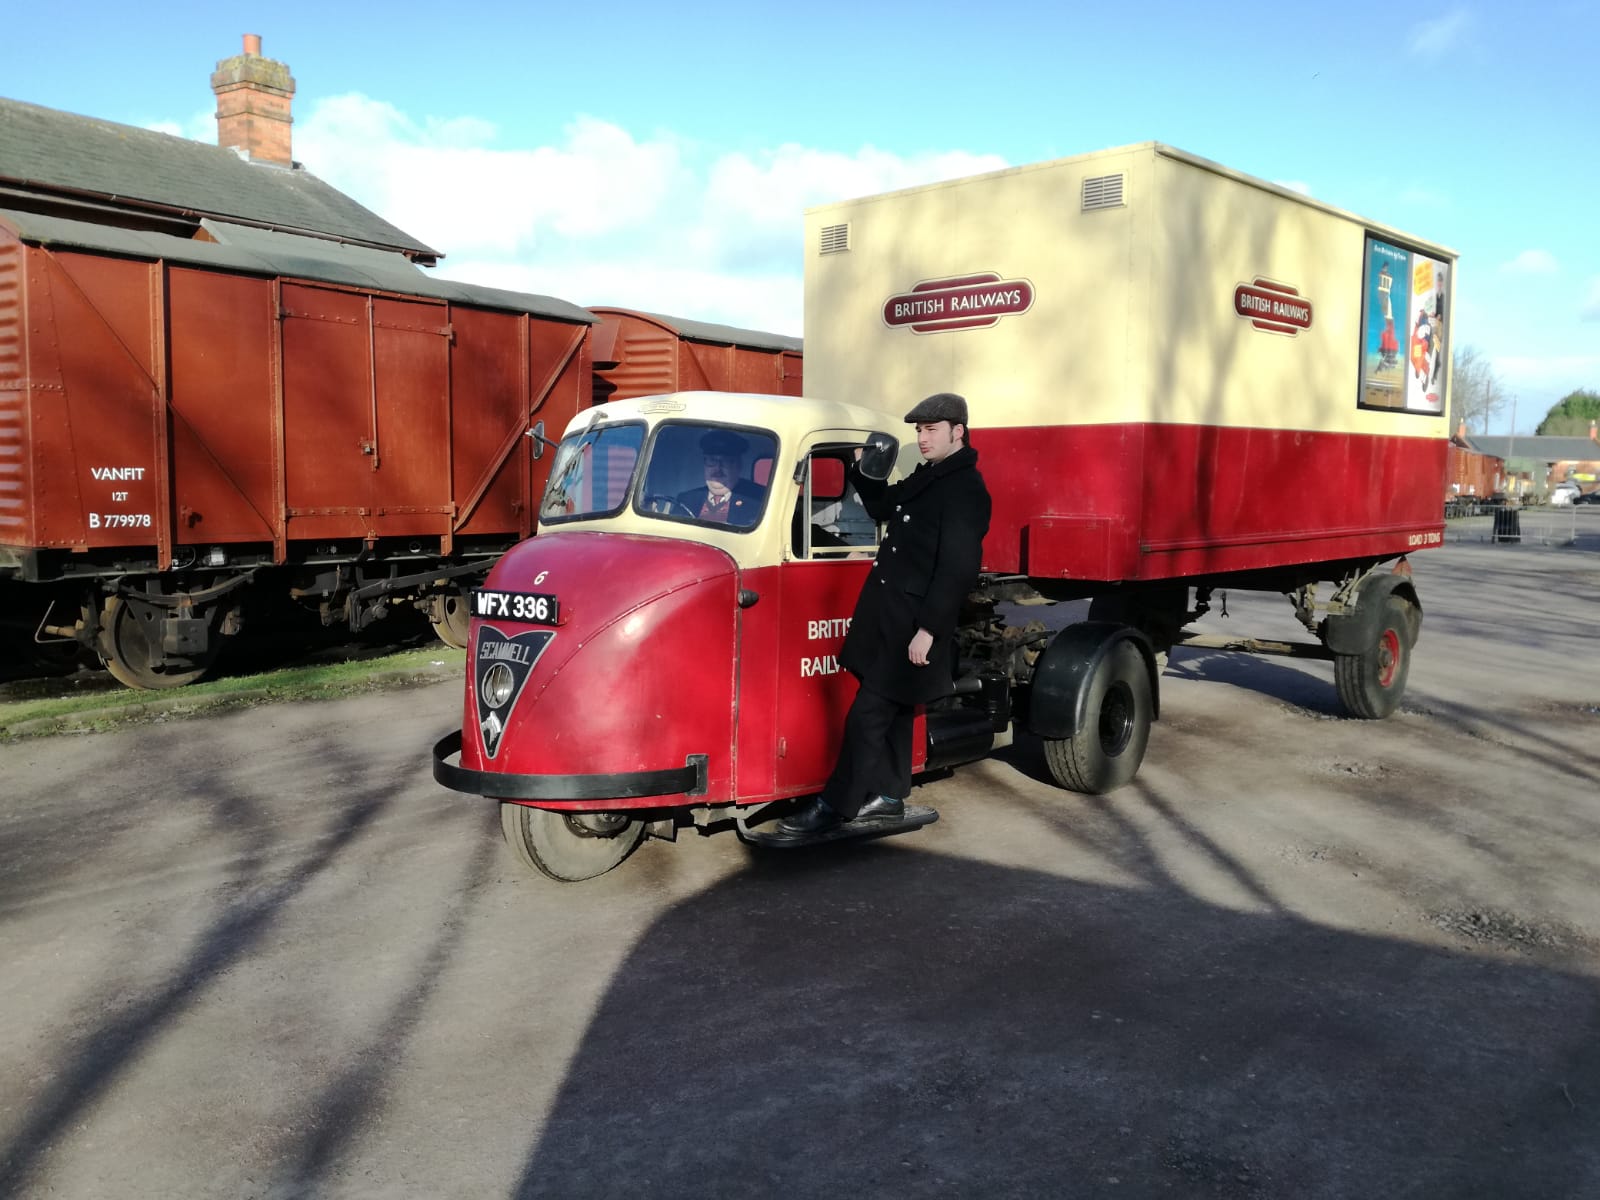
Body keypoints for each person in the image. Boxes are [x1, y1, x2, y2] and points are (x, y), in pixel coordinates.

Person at [778, 392, 991, 837]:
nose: (923, 437)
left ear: (958, 432)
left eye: (932, 429)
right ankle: (890, 797)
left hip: (913, 623)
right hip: (890, 617)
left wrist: (929, 630)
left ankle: (835, 805)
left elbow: (957, 570)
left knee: (867, 715)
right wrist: (861, 468)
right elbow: (882, 507)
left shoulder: (965, 489)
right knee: (894, 712)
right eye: (920, 430)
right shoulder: (931, 476)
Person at [677, 429, 764, 527]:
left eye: (726, 461)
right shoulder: (685, 500)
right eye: (712, 460)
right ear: (704, 464)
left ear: (738, 466)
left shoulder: (759, 500)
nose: (717, 469)